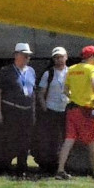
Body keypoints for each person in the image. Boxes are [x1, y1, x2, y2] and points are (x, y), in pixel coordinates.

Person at [56, 46, 94, 181]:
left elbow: (65, 90)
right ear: (90, 57)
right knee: (93, 142)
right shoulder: (91, 69)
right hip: (86, 110)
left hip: (72, 109)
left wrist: (74, 96)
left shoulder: (72, 69)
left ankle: (60, 170)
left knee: (68, 141)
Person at [0, 42, 37, 176]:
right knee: (11, 139)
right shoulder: (6, 71)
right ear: (16, 55)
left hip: (27, 110)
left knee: (25, 139)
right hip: (11, 110)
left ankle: (22, 167)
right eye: (25, 56)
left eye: (28, 56)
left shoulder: (31, 71)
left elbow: (33, 92)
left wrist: (33, 111)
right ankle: (5, 166)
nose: (27, 58)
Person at [34, 47, 70, 175]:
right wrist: (45, 108)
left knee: (66, 139)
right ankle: (50, 166)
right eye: (56, 57)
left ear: (66, 57)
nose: (59, 59)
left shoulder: (71, 72)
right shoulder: (48, 73)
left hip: (66, 109)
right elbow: (41, 93)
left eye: (61, 56)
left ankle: (62, 166)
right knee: (52, 140)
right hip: (52, 110)